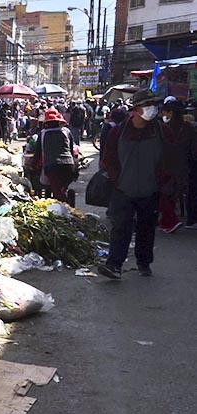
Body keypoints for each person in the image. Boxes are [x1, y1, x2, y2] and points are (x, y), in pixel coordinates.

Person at [98, 89, 179, 279]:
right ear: (135, 109)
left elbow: (172, 158)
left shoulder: (162, 131)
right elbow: (108, 158)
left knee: (147, 228)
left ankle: (144, 263)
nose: (152, 109)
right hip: (123, 189)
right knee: (121, 227)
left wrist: (164, 181)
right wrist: (116, 178)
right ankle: (114, 265)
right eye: (146, 105)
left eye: (154, 105)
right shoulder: (118, 132)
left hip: (151, 189)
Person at [158, 101, 191, 232]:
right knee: (170, 194)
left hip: (167, 167)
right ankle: (167, 221)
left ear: (170, 113)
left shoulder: (164, 129)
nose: (162, 115)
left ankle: (170, 221)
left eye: (164, 112)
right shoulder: (188, 127)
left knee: (163, 194)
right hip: (183, 167)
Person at [33, 108, 76, 203]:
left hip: (52, 166)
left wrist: (33, 165)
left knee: (58, 194)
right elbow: (71, 149)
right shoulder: (66, 131)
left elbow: (38, 153)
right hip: (69, 166)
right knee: (62, 188)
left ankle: (65, 206)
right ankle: (66, 201)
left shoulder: (43, 133)